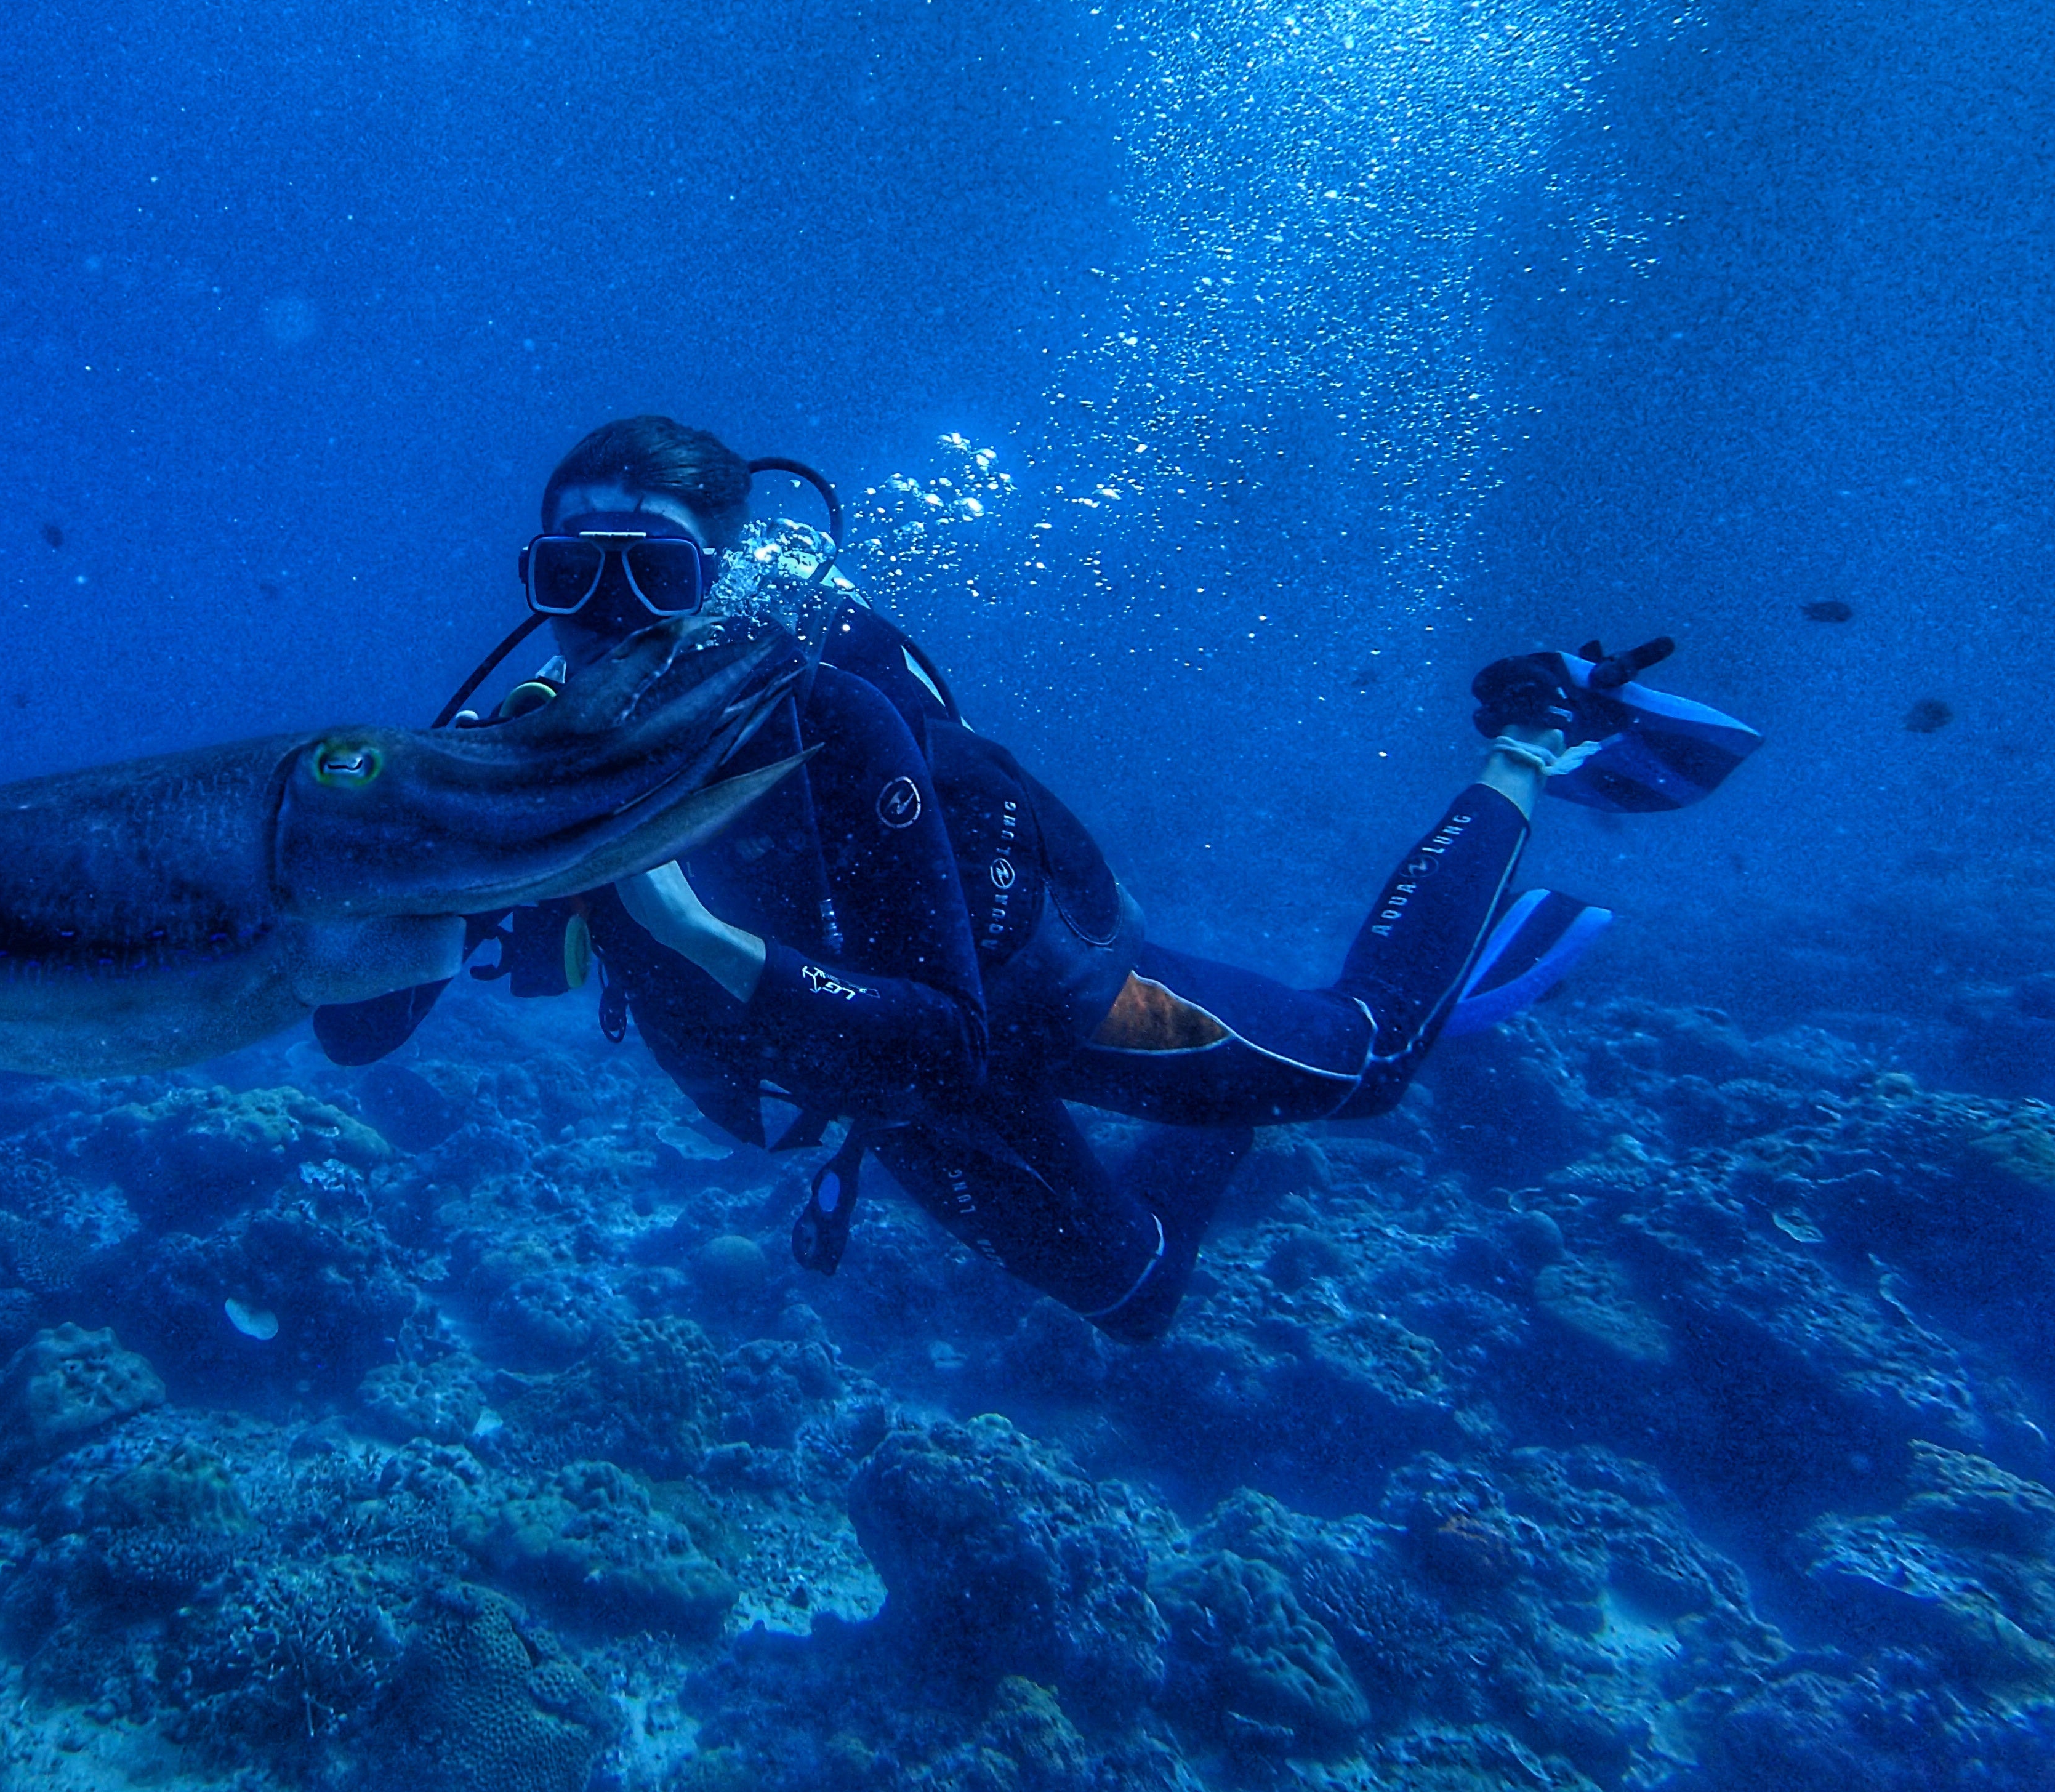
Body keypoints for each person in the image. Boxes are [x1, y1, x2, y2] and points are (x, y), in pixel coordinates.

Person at [318, 416, 1728, 1342]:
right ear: (533, 581)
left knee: (1371, 1066)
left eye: (657, 576)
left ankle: (1532, 745)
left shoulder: (829, 712)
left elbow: (948, 1032)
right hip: (856, 1080)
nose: (609, 623)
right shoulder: (518, 766)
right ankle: (1226, 1112)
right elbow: (355, 1034)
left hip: (1023, 987)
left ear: (727, 580)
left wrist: (693, 938)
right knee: (1136, 1297)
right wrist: (392, 891)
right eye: (573, 575)